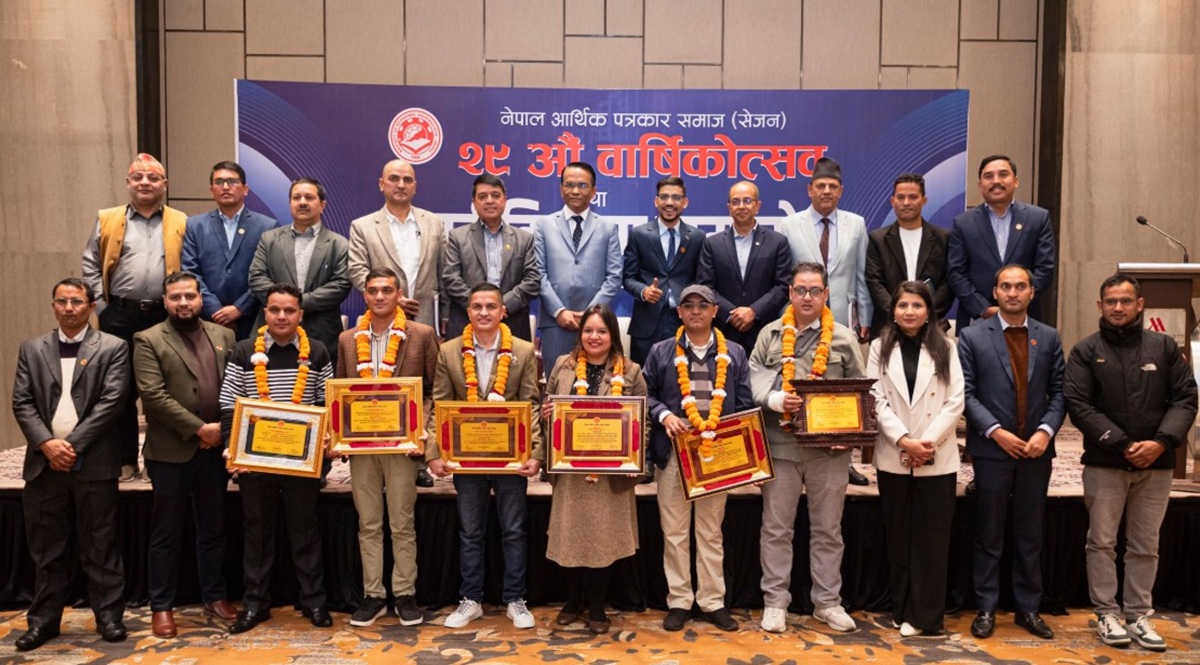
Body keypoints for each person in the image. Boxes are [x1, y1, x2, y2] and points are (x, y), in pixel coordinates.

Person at [1064, 273, 1197, 652]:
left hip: (1156, 464)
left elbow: (1185, 398)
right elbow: (1079, 405)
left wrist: (1161, 443)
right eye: (1111, 301)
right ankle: (1107, 613)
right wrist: (1122, 444)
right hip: (1105, 462)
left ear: (1140, 304)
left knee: (1145, 545)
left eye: (1125, 301)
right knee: (1101, 542)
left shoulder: (1163, 346)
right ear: (1100, 306)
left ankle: (1138, 614)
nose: (1118, 307)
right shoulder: (1085, 350)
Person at [11, 278, 130, 651]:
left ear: (91, 306)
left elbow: (113, 402)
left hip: (94, 463)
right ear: (53, 305)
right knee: (46, 549)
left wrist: (71, 446)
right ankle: (43, 622)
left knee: (100, 545)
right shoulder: (32, 349)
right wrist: (47, 445)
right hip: (43, 465)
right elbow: (22, 401)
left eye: (77, 301)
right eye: (61, 301)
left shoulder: (113, 347)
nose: (68, 308)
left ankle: (109, 617)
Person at [748, 262, 864, 634]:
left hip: (829, 452)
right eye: (800, 290)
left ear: (826, 294)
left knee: (828, 529)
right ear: (790, 293)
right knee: (776, 529)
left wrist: (851, 432)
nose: (807, 297)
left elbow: (860, 392)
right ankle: (775, 602)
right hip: (780, 448)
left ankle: (827, 602)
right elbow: (752, 378)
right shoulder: (769, 334)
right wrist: (774, 399)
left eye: (815, 290)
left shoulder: (843, 339)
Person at [219, 283, 336, 633]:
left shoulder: (317, 351)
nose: (281, 316)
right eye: (274, 309)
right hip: (255, 461)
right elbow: (229, 403)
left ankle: (314, 601)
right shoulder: (244, 351)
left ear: (301, 314)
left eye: (289, 310)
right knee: (258, 532)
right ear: (265, 313)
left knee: (305, 530)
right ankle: (255, 604)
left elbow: (325, 404)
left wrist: (324, 446)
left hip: (302, 462)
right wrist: (231, 447)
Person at [958, 264, 1065, 641]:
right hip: (992, 450)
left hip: (1036, 451)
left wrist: (1045, 432)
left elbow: (1060, 392)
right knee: (989, 531)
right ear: (995, 292)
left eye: (1021, 286)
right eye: (1006, 286)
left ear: (1032, 293)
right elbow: (966, 393)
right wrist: (995, 432)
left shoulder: (1049, 337)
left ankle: (1028, 608)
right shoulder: (972, 336)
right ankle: (986, 607)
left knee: (1030, 533)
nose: (1013, 292)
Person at [429, 283, 544, 629]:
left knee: (513, 529)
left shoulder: (523, 350)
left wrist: (536, 452)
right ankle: (471, 599)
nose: (483, 312)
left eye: (490, 306)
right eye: (477, 306)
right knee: (470, 531)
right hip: (466, 458)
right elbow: (439, 404)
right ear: (468, 312)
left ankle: (515, 599)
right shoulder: (449, 351)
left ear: (502, 312)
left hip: (511, 458)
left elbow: (532, 404)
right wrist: (434, 452)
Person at [642, 284, 754, 633]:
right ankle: (679, 601)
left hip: (715, 455)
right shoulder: (661, 351)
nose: (695, 311)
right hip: (674, 453)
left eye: (702, 305)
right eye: (688, 305)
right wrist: (664, 416)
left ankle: (712, 602)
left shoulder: (734, 352)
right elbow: (647, 396)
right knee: (674, 532)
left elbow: (745, 404)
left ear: (714, 311)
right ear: (678, 312)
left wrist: (731, 443)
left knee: (710, 531)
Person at [132, 272, 238, 638]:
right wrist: (199, 429)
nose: (183, 303)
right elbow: (152, 395)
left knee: (213, 528)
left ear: (200, 298)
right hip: (170, 453)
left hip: (215, 450)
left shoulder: (224, 335)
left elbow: (235, 388)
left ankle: (215, 596)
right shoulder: (147, 339)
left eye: (189, 296)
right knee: (167, 532)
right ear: (165, 301)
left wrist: (221, 432)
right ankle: (162, 605)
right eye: (175, 297)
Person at [334, 267, 439, 628]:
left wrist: (422, 432)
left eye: (387, 290)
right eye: (373, 290)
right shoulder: (348, 339)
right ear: (364, 296)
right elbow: (341, 392)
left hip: (402, 447)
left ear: (399, 295)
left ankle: (405, 594)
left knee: (402, 522)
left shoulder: (421, 334)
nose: (380, 296)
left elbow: (434, 390)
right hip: (362, 447)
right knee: (368, 523)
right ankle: (374, 595)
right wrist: (341, 437)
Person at [81, 152, 187, 481]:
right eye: (138, 177)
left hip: (164, 316)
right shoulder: (108, 218)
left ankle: (158, 460)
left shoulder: (181, 221)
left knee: (163, 389)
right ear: (128, 182)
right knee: (120, 389)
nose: (145, 183)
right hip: (119, 314)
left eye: (153, 178)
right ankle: (126, 459)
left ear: (165, 184)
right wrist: (101, 307)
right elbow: (90, 263)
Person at [541, 304, 647, 634]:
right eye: (588, 330)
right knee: (570, 538)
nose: (594, 336)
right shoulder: (563, 365)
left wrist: (637, 460)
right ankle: (574, 600)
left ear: (613, 335)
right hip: (571, 470)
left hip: (610, 474)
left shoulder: (631, 371)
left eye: (602, 331)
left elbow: (642, 422)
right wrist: (547, 415)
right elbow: (546, 405)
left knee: (603, 540)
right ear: (580, 334)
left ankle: (598, 605)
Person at [866, 281, 964, 638]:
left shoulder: (946, 347)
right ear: (893, 310)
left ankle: (926, 617)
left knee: (931, 539)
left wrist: (925, 444)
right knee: (899, 537)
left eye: (917, 305)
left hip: (936, 455)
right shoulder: (878, 347)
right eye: (903, 305)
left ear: (928, 311)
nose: (910, 311)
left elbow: (956, 400)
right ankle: (901, 609)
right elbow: (875, 398)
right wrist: (905, 441)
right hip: (895, 453)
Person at [247, 177, 351, 366]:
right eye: (297, 197)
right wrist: (284, 306)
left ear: (322, 205)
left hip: (320, 334)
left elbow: (341, 285)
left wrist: (296, 304)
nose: (302, 202)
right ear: (290, 204)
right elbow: (256, 277)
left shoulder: (339, 243)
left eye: (309, 197)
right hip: (271, 334)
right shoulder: (270, 239)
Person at [533, 161, 623, 378]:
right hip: (555, 322)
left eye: (582, 185)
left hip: (596, 325)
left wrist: (591, 314)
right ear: (561, 189)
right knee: (557, 383)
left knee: (596, 385)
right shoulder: (544, 225)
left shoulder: (608, 228)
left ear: (593, 191)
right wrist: (559, 311)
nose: (575, 190)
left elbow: (614, 276)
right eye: (569, 185)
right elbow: (538, 273)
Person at [947, 155, 1056, 332]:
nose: (996, 181)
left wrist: (1017, 301)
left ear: (1016, 181)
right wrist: (983, 309)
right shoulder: (963, 223)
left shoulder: (1038, 218)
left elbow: (1045, 268)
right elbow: (956, 273)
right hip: (978, 319)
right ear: (980, 185)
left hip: (1025, 316)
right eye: (988, 176)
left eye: (1003, 174)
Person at [181, 160, 280, 341]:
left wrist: (240, 308)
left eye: (232, 181)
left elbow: (270, 274)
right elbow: (190, 272)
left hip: (252, 320)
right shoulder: (195, 225)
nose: (225, 187)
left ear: (245, 189)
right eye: (219, 182)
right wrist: (215, 310)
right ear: (211, 190)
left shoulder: (267, 226)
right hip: (208, 320)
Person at [778, 157, 873, 342]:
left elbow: (862, 276)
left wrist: (865, 317)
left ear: (841, 191)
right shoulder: (789, 225)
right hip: (800, 318)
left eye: (833, 186)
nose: (827, 191)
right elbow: (783, 278)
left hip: (843, 318)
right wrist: (784, 317)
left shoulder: (856, 224)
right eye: (821, 186)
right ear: (810, 190)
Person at [348, 159, 446, 332]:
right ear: (381, 184)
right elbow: (357, 270)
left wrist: (444, 317)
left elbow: (444, 273)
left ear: (415, 187)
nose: (401, 185)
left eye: (407, 180)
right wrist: (389, 296)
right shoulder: (362, 226)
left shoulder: (434, 223)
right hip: (382, 319)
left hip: (426, 320)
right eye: (394, 179)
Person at [695, 180, 791, 352]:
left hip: (764, 332)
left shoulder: (777, 242)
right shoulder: (712, 243)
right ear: (729, 207)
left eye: (747, 201)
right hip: (725, 332)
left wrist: (754, 311)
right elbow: (705, 287)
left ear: (757, 206)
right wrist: (732, 314)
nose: (741, 206)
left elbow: (783, 286)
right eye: (735, 201)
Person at [443, 173, 540, 342]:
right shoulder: (457, 237)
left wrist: (503, 306)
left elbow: (532, 280)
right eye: (483, 196)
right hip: (466, 323)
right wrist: (479, 307)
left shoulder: (524, 239)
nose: (489, 201)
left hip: (512, 322)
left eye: (495, 195)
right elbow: (451, 279)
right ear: (474, 203)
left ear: (504, 200)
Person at [622, 176, 706, 365]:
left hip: (684, 321)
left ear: (685, 202)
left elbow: (702, 280)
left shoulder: (697, 237)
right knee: (643, 379)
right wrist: (643, 291)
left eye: (676, 197)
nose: (669, 202)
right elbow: (627, 277)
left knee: (682, 377)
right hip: (646, 324)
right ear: (656, 201)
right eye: (664, 197)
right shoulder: (639, 234)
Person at [864, 173, 952, 338]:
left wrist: (924, 314)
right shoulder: (878, 239)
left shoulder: (943, 238)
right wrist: (899, 315)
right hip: (888, 328)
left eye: (913, 197)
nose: (906, 203)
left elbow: (949, 282)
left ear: (924, 200)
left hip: (931, 328)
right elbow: (874, 282)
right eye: (900, 197)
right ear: (892, 201)